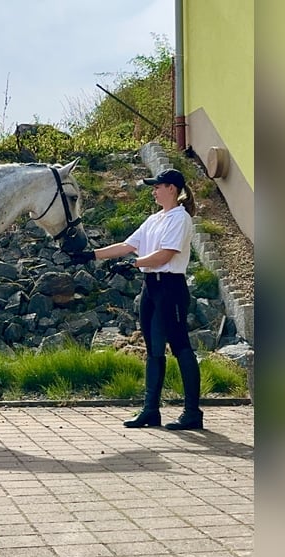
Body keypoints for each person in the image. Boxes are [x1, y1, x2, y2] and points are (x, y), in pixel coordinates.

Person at [72, 168, 203, 430]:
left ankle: (192, 413)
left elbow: (165, 255)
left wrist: (134, 265)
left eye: (158, 186)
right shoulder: (154, 219)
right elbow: (126, 246)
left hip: (171, 287)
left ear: (172, 189)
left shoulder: (180, 218)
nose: (154, 190)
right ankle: (150, 411)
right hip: (151, 288)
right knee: (154, 349)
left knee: (180, 346)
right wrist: (90, 255)